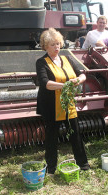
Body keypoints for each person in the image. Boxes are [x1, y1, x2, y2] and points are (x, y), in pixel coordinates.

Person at [36, 28, 90, 175]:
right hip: (51, 106)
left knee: (76, 134)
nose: (57, 47)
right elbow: (45, 83)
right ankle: (51, 168)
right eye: (53, 44)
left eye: (58, 44)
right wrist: (66, 85)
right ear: (45, 46)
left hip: (68, 104)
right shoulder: (41, 62)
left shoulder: (67, 59)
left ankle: (83, 165)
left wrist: (78, 80)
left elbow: (82, 75)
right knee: (52, 138)